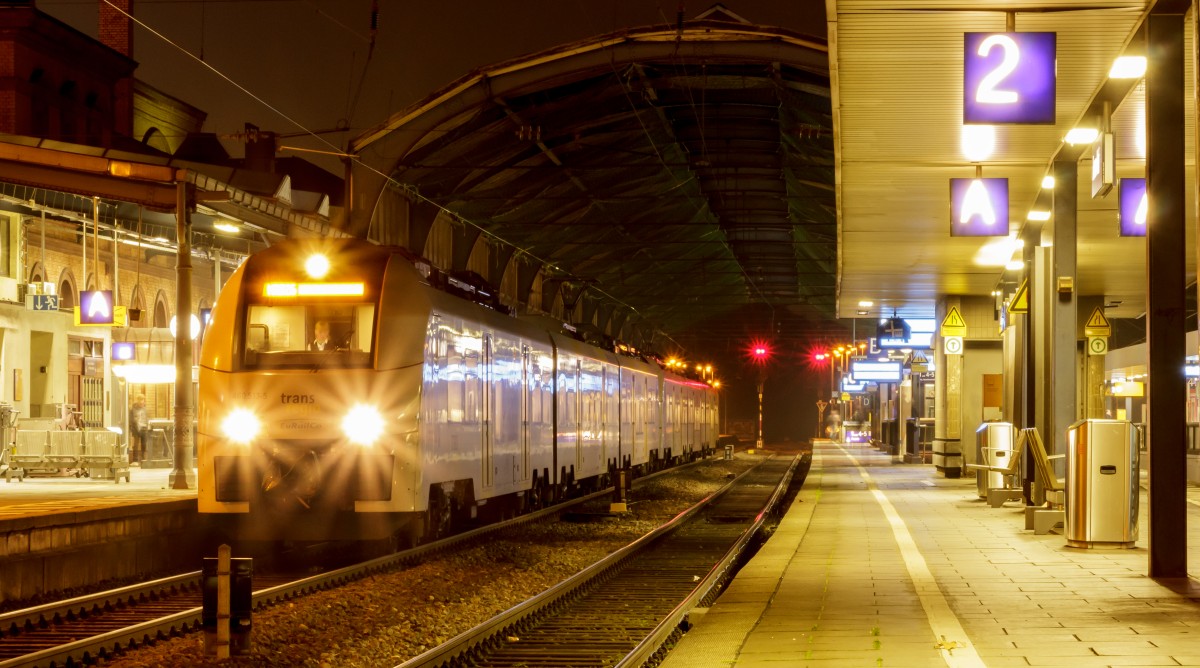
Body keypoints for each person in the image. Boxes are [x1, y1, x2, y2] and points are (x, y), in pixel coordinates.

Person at [129, 394, 148, 463]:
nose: (141, 402)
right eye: (139, 400)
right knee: (136, 445)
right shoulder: (133, 409)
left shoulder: (145, 409)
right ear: (137, 401)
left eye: (142, 400)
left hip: (144, 428)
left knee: (144, 444)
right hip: (136, 429)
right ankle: (135, 460)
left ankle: (143, 459)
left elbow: (147, 418)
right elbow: (130, 419)